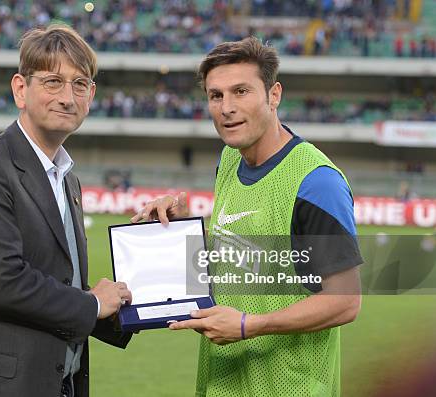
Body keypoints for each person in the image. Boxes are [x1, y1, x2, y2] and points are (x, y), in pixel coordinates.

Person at [132, 37, 362, 396]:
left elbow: (345, 301)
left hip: (289, 387)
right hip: (224, 382)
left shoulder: (317, 182)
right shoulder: (230, 159)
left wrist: (248, 325)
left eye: (241, 91)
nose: (227, 107)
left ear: (274, 95)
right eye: (216, 95)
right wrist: (182, 228)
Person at [0, 24, 132, 397]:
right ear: (21, 89)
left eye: (79, 84)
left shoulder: (67, 179)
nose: (68, 97)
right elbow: (1, 282)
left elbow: (56, 283)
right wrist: (93, 303)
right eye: (53, 82)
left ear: (92, 95)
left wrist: (128, 300)